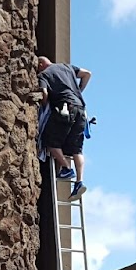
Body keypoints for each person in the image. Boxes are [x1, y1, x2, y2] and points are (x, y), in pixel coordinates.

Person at [37, 55, 92, 198]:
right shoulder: (67, 67)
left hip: (65, 108)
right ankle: (79, 181)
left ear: (41, 64)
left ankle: (66, 168)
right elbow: (87, 74)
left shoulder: (44, 74)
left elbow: (44, 93)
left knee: (50, 141)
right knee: (76, 149)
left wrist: (44, 105)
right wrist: (79, 91)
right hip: (81, 109)